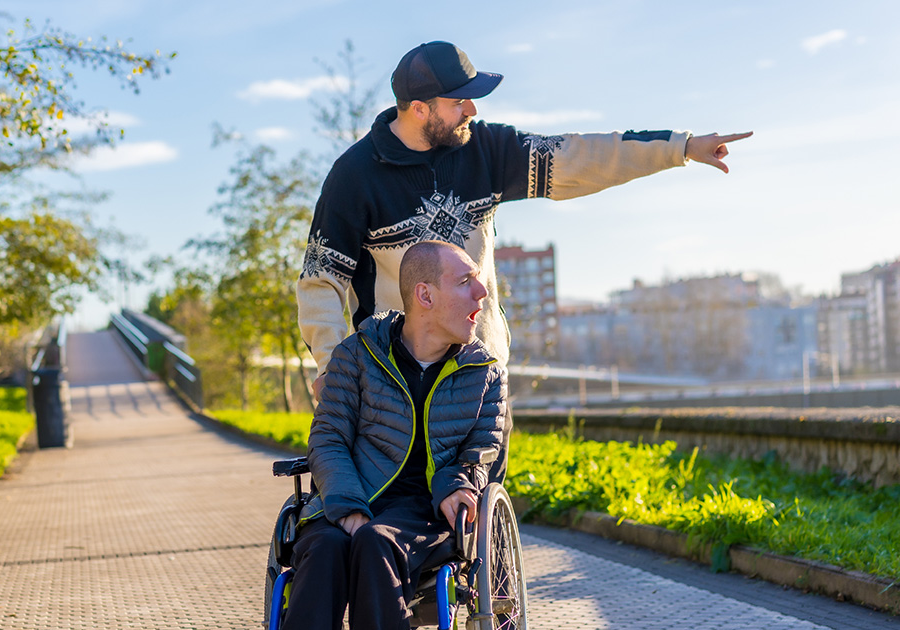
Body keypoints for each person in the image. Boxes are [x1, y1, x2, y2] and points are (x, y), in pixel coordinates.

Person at [297, 40, 753, 402]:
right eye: (460, 102)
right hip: (391, 384)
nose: (473, 111)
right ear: (420, 108)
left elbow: (579, 157)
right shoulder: (354, 178)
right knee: (396, 514)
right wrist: (334, 369)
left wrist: (680, 148)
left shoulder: (488, 151)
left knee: (476, 508)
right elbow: (320, 284)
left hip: (480, 373)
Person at [283, 240, 505, 630]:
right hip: (349, 496)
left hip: (424, 513)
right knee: (325, 548)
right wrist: (348, 508)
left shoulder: (485, 373)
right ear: (425, 295)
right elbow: (328, 437)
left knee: (376, 541)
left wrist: (457, 484)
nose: (482, 291)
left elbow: (481, 451)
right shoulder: (357, 354)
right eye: (466, 280)